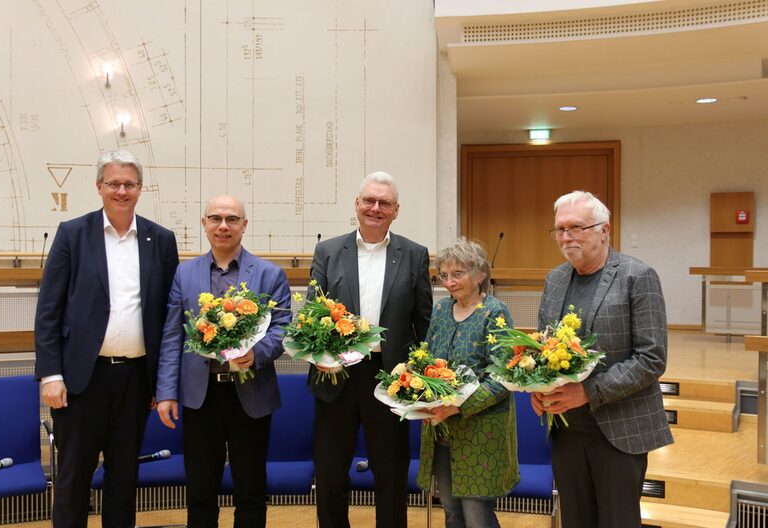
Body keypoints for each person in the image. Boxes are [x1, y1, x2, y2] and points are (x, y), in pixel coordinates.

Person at [34, 150, 179, 528]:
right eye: (113, 183)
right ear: (99, 186)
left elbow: (168, 317)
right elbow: (49, 310)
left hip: (135, 381)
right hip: (81, 380)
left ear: (140, 189)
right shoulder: (72, 233)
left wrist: (162, 382)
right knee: (72, 479)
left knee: (123, 479)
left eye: (129, 184)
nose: (121, 191)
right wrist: (50, 374)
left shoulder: (160, 240)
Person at [531, 190, 673, 528]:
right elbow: (544, 349)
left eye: (576, 228)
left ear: (604, 230)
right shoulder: (555, 280)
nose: (566, 237)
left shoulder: (638, 277)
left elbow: (652, 358)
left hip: (619, 432)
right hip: (567, 431)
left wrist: (587, 392)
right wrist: (538, 387)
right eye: (560, 229)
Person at [156, 194, 291, 528]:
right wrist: (166, 393)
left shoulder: (269, 275)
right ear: (204, 224)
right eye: (215, 218)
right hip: (200, 398)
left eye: (232, 219)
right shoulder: (184, 275)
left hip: (251, 395)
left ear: (244, 225)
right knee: (200, 492)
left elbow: (282, 330)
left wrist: (256, 354)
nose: (223, 226)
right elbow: (173, 336)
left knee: (251, 492)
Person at [310, 171, 432, 528]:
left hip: (390, 378)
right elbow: (312, 317)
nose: (375, 208)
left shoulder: (414, 254)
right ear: (357, 204)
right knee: (331, 474)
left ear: (396, 211)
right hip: (336, 377)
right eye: (369, 201)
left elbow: (422, 323)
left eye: (384, 203)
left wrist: (421, 379)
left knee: (392, 474)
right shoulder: (329, 251)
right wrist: (322, 358)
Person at [416, 237, 518, 528]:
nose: (449, 282)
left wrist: (457, 408)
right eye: (444, 275)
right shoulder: (440, 311)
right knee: (451, 511)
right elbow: (426, 361)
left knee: (477, 516)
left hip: (481, 432)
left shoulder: (495, 313)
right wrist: (417, 393)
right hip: (442, 431)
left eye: (457, 274)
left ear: (480, 274)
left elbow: (501, 377)